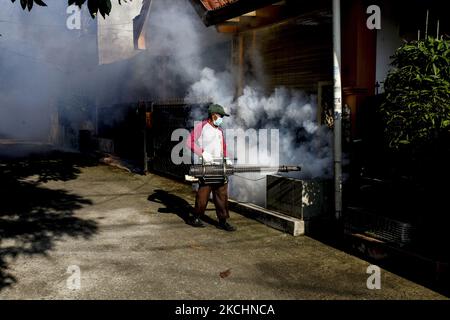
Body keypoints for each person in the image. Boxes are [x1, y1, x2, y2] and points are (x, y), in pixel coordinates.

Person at [186, 103, 236, 232]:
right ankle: (196, 217)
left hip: (219, 166)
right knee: (203, 193)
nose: (222, 119)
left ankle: (223, 221)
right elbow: (189, 142)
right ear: (213, 115)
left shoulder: (219, 131)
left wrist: (227, 158)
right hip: (206, 166)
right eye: (220, 116)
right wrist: (202, 152)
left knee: (222, 193)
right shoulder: (201, 126)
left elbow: (223, 148)